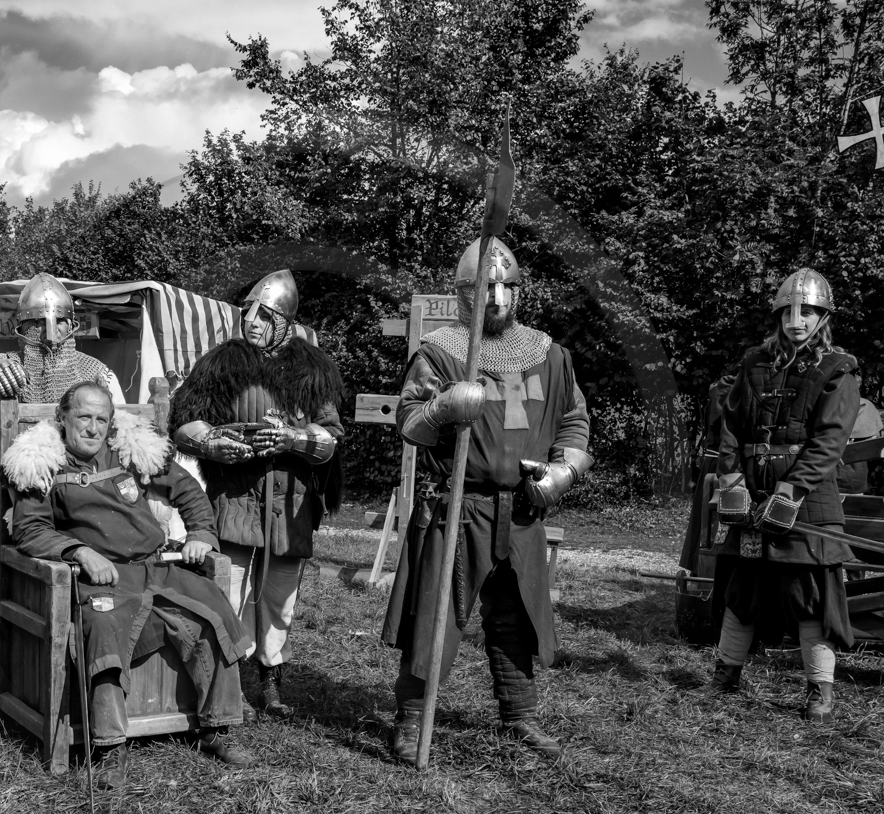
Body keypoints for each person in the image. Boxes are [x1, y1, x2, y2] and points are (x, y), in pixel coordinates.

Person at [381, 236, 591, 764]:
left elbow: (574, 421)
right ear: (463, 295)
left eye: (505, 288)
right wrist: (442, 409)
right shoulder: (439, 354)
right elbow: (407, 423)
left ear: (519, 293)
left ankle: (519, 715)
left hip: (521, 510)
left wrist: (562, 472)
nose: (496, 298)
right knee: (437, 616)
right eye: (484, 289)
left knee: (515, 617)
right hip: (459, 506)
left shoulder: (550, 354)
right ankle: (410, 719)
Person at [4, 381, 254, 789]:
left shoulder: (130, 451)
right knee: (102, 630)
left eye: (101, 418)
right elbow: (29, 530)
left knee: (211, 611)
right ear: (63, 419)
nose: (92, 428)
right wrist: (80, 552)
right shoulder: (41, 462)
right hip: (102, 579)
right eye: (83, 417)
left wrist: (201, 536)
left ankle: (216, 729)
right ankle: (109, 747)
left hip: (155, 567)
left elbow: (188, 490)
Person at [169, 270, 345, 717]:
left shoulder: (313, 370)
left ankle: (271, 680)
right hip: (235, 497)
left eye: (265, 314)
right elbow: (183, 421)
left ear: (285, 320)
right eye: (248, 311)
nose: (252, 322)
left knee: (279, 596)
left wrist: (293, 439)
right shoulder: (222, 363)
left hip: (291, 503)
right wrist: (213, 443)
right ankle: (228, 680)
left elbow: (331, 438)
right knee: (227, 591)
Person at [709, 269, 860, 722]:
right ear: (778, 313)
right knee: (744, 588)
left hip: (807, 497)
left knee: (810, 595)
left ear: (823, 316)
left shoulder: (838, 369)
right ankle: (725, 674)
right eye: (791, 309)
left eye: (809, 310)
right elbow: (731, 426)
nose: (798, 318)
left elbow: (829, 441)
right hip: (751, 491)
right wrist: (730, 481)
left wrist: (792, 490)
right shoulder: (755, 362)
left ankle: (819, 691)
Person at [0, 272, 124, 407]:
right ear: (25, 328)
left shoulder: (96, 371)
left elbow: (119, 418)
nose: (51, 329)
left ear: (71, 325)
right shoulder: (9, 364)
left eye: (60, 320)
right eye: (39, 322)